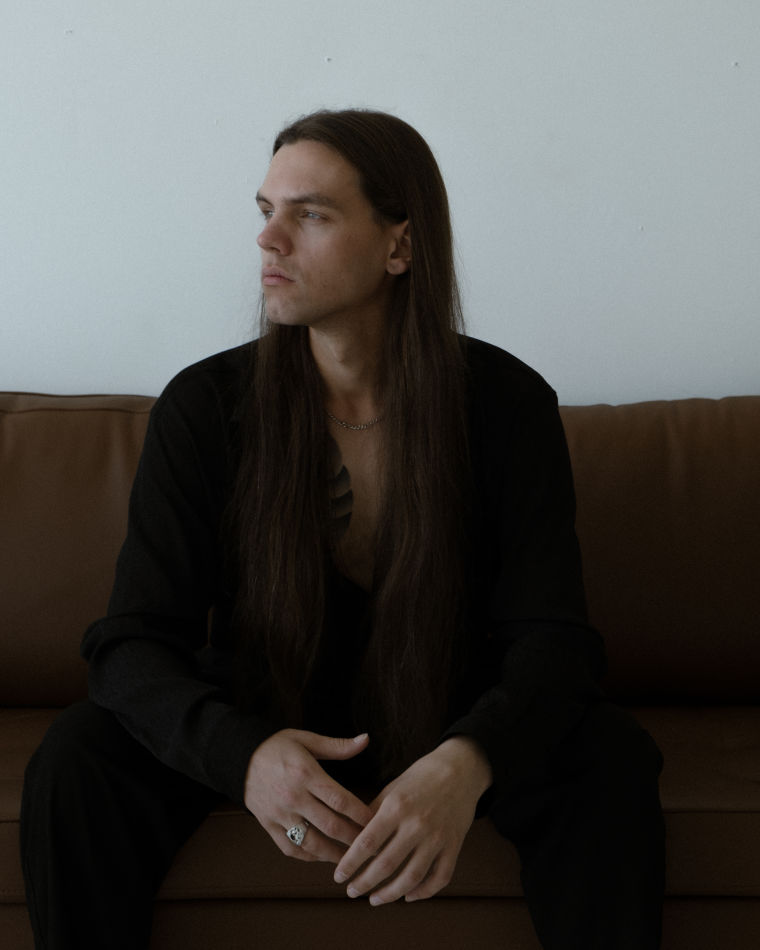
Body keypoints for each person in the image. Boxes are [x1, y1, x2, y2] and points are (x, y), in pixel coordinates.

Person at [21, 108, 665, 949]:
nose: (268, 239)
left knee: (609, 757)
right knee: (79, 756)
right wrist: (244, 757)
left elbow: (555, 642)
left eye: (311, 215)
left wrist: (466, 763)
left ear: (400, 245)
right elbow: (131, 644)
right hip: (266, 714)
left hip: (448, 715)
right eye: (266, 211)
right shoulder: (206, 407)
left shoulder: (507, 405)